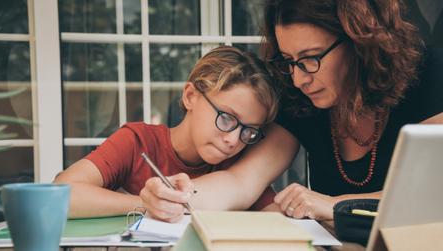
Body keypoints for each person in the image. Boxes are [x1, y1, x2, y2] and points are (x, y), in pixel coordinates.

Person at [259, 0, 443, 220]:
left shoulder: (428, 73)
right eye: (288, 61)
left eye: (311, 57)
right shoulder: (300, 98)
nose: (298, 79)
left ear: (359, 41)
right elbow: (241, 180)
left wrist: (335, 205)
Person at [54, 46, 280, 222]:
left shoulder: (240, 164)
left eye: (248, 131)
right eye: (227, 118)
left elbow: (277, 220)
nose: (233, 140)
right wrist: (147, 204)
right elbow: (60, 195)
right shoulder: (138, 141)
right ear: (190, 96)